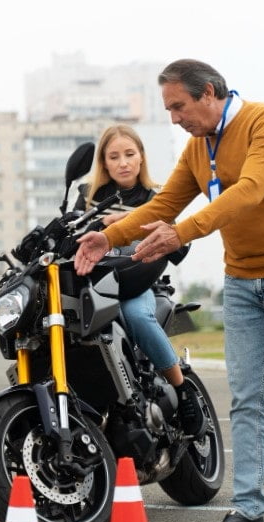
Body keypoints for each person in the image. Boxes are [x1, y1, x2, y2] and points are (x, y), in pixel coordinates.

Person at [74, 59, 264, 522]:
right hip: (244, 282)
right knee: (246, 400)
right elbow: (162, 205)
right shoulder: (197, 148)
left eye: (178, 106)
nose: (174, 118)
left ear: (208, 93)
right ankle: (248, 510)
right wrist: (107, 236)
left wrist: (180, 233)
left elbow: (247, 192)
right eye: (168, 109)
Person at [76, 124, 204, 438]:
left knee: (136, 316)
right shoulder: (88, 199)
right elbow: (71, 236)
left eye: (129, 154)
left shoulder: (156, 198)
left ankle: (183, 389)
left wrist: (134, 221)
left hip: (139, 284)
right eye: (114, 156)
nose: (123, 162)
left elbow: (178, 244)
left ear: (141, 158)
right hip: (96, 286)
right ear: (103, 163)